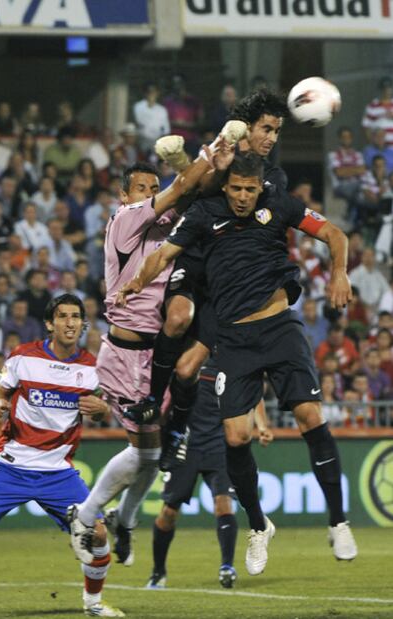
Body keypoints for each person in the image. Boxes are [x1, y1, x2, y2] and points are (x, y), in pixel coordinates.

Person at [117, 152, 358, 571]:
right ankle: (259, 525)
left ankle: (338, 521)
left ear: (260, 185)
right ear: (225, 186)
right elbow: (163, 255)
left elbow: (335, 234)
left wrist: (340, 272)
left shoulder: (279, 202)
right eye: (236, 189)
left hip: (279, 327)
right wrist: (136, 281)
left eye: (250, 189)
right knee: (235, 438)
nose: (243, 197)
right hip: (233, 339)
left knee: (310, 416)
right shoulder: (204, 214)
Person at [67, 125, 244, 567]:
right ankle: (87, 515)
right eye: (142, 189)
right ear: (126, 197)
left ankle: (123, 521)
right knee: (146, 451)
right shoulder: (125, 221)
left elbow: (194, 191)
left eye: (153, 187)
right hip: (126, 354)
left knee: (156, 453)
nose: (151, 195)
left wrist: (215, 166)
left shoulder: (169, 228)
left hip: (158, 355)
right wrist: (217, 143)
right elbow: (184, 185)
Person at [123, 90, 288, 470]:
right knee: (177, 317)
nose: (271, 138)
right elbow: (191, 188)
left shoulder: (272, 175)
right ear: (247, 126)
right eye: (266, 128)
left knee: (187, 370)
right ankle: (151, 400)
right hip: (195, 251)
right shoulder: (216, 150)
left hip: (226, 281)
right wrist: (203, 164)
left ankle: (177, 431)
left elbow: (246, 199)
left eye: (277, 131)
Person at [0, 294, 124, 618]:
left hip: (58, 470)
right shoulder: (23, 358)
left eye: (76, 317)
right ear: (49, 323)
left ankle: (93, 604)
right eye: (62, 316)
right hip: (12, 463)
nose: (70, 323)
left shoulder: (92, 369)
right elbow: (0, 392)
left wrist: (102, 410)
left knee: (99, 535)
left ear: (83, 324)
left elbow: (105, 408)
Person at [144, 354, 273, 589]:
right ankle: (158, 571)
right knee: (168, 513)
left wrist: (262, 426)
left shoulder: (233, 363)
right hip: (187, 445)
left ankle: (227, 566)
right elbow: (169, 398)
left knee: (223, 504)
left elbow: (253, 396)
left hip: (219, 445)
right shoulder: (188, 359)